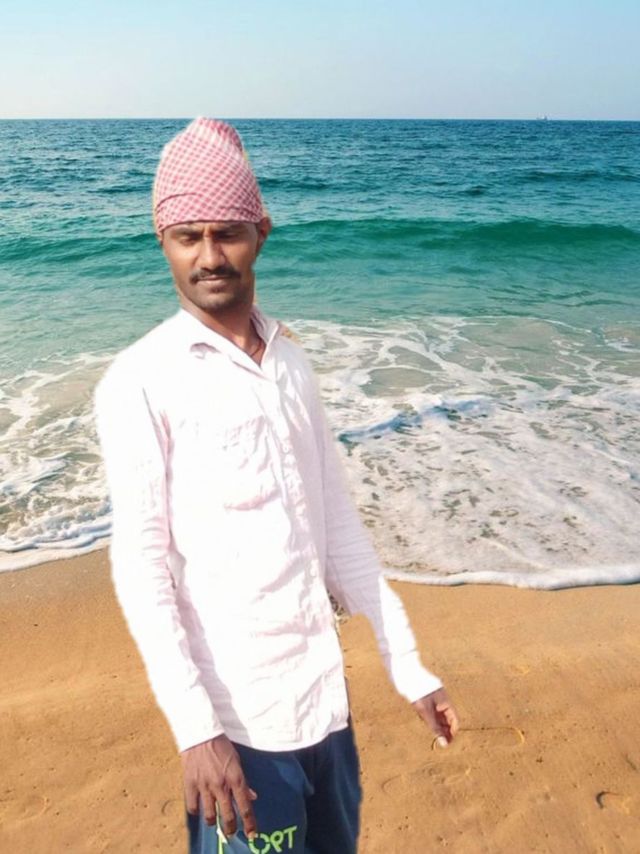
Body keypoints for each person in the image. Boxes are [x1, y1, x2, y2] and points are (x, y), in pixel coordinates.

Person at [93, 117, 459, 854]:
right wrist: (197, 732)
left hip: (325, 710)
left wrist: (409, 667)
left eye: (226, 233)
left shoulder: (291, 361)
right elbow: (142, 568)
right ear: (162, 241)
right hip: (239, 731)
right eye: (187, 236)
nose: (208, 256)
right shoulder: (140, 381)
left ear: (261, 232)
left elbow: (337, 527)